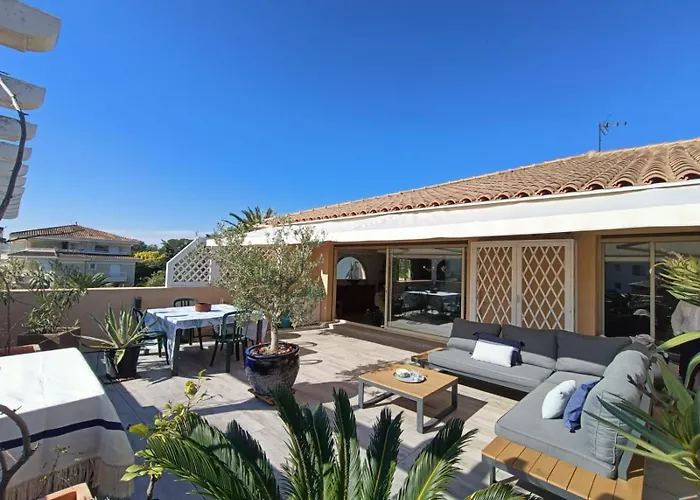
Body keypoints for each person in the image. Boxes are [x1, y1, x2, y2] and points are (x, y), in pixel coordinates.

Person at [671, 300, 700, 385]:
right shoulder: (684, 301)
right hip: (688, 339)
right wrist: (678, 333)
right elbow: (676, 317)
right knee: (686, 369)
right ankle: (686, 389)